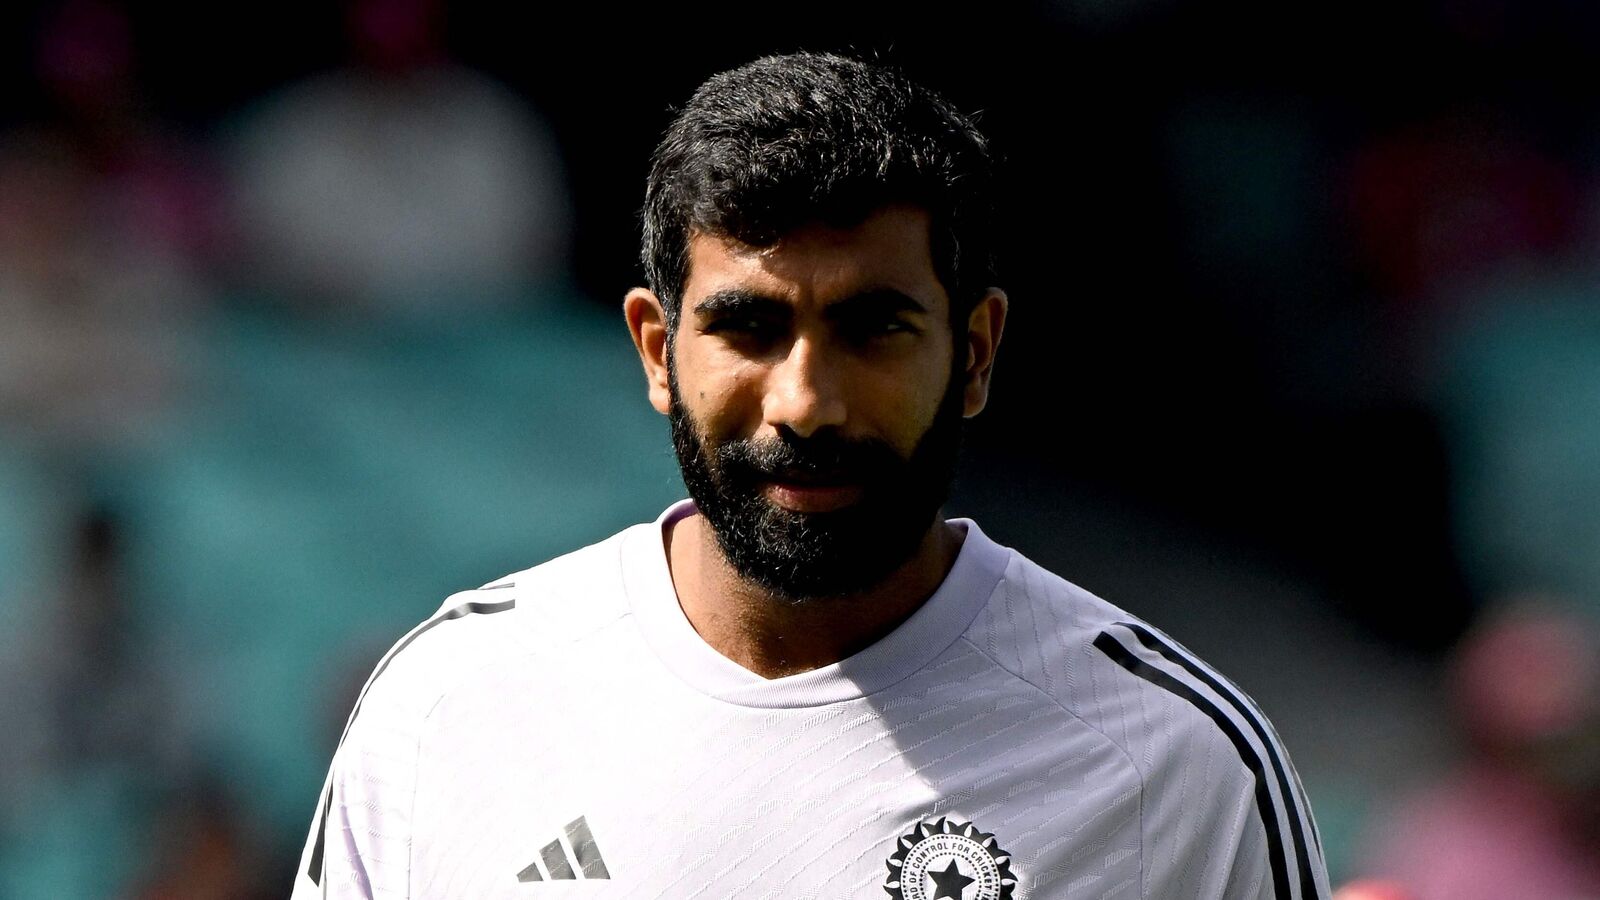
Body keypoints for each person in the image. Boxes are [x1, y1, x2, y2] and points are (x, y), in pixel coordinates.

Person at [291, 52, 1330, 899]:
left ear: (974, 353)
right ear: (657, 352)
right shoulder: (449, 703)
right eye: (747, 326)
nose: (805, 403)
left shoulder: (1174, 764)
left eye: (873, 329)